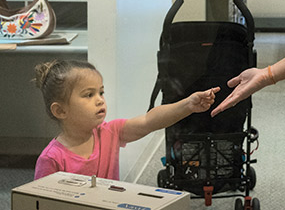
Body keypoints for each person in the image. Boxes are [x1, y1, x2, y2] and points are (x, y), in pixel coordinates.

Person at [33, 59, 219, 180]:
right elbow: (39, 201)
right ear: (60, 111)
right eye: (89, 95)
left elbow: (149, 121)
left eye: (101, 92)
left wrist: (188, 105)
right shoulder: (51, 159)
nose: (99, 100)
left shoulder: (110, 132)